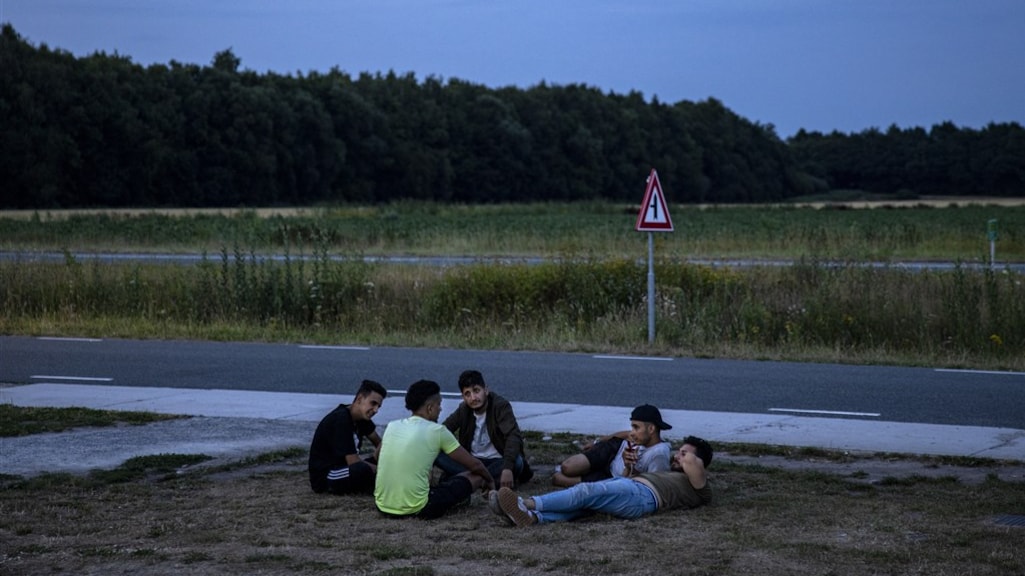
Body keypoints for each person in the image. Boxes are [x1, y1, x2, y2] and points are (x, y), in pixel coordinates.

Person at [492, 436, 713, 526]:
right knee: (584, 507)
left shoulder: (700, 488)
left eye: (683, 453)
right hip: (635, 492)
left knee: (586, 491)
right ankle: (532, 518)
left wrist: (687, 452)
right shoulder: (678, 478)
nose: (677, 455)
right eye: (680, 452)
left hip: (643, 496)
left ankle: (526, 503)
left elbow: (693, 461)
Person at [374, 379, 495, 519]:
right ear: (430, 408)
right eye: (439, 405)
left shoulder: (392, 425)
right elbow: (475, 465)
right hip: (418, 508)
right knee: (476, 476)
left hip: (382, 506)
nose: (441, 409)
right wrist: (490, 481)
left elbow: (377, 456)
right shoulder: (437, 431)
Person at [436, 369, 533, 488]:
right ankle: (481, 480)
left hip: (498, 461)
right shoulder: (464, 409)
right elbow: (442, 432)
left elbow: (513, 436)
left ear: (486, 390)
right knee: (437, 454)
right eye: (467, 394)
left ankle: (468, 479)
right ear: (463, 397)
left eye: (476, 391)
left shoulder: (500, 406)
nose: (473, 398)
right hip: (473, 463)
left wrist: (507, 468)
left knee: (517, 462)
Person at [551, 404, 673, 487]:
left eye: (636, 427)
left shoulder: (658, 454)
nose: (632, 432)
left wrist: (629, 467)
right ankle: (586, 466)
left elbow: (649, 486)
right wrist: (598, 442)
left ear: (651, 429)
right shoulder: (641, 438)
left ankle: (588, 473)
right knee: (567, 467)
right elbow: (625, 435)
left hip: (611, 477)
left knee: (558, 478)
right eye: (632, 426)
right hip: (613, 450)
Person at [308, 379, 387, 495]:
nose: (375, 410)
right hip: (328, 475)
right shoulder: (341, 419)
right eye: (373, 403)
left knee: (377, 458)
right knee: (362, 469)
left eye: (378, 407)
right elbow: (353, 462)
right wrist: (385, 472)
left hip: (345, 468)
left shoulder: (362, 418)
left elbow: (380, 444)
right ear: (360, 399)